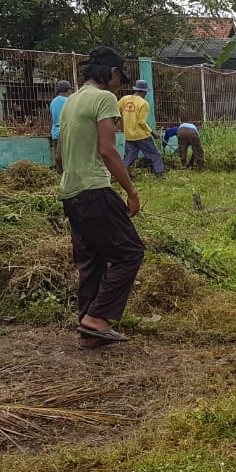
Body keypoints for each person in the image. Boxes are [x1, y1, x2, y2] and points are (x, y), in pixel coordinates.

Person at [56, 46, 145, 347]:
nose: (120, 84)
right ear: (112, 73)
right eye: (121, 77)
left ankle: (88, 333)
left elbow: (58, 155)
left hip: (71, 193)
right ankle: (98, 319)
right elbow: (108, 150)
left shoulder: (70, 102)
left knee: (92, 261)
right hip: (94, 190)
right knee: (130, 252)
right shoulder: (104, 98)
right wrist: (131, 191)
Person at [119, 79, 165, 177]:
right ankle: (159, 174)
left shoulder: (124, 99)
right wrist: (153, 133)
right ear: (144, 91)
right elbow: (141, 122)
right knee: (155, 154)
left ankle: (124, 176)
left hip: (128, 135)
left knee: (128, 157)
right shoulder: (144, 103)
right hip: (141, 136)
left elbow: (116, 112)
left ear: (136, 89)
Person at [49, 79, 72, 170]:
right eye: (70, 90)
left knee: (59, 159)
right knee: (68, 159)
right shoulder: (68, 101)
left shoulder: (53, 102)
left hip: (55, 133)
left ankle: (59, 178)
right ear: (68, 90)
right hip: (65, 132)